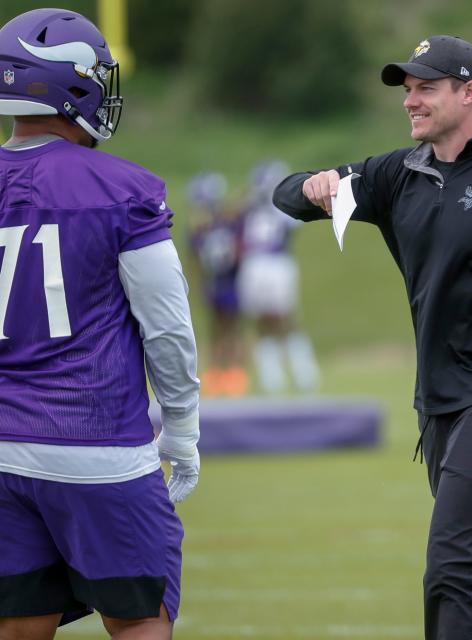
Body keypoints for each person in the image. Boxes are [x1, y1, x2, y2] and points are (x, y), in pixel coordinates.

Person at [273, 35, 472, 640]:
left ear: (469, 93)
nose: (410, 101)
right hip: (440, 404)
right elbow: (285, 196)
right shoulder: (399, 174)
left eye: (425, 88)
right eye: (406, 90)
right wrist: (314, 185)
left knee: (451, 567)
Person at [0, 8, 200, 639]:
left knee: (19, 623)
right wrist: (183, 430)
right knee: (140, 621)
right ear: (70, 87)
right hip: (97, 447)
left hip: (3, 446)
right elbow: (167, 329)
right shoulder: (123, 189)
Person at [238, 160, 320, 394]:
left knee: (286, 318)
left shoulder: (276, 210)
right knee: (263, 321)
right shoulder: (252, 209)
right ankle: (273, 376)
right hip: (258, 263)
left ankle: (303, 373)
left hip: (273, 263)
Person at [186, 171, 248, 397]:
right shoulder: (204, 228)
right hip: (215, 282)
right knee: (217, 329)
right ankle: (217, 374)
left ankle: (235, 374)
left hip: (229, 280)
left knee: (231, 328)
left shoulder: (228, 223)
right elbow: (196, 258)